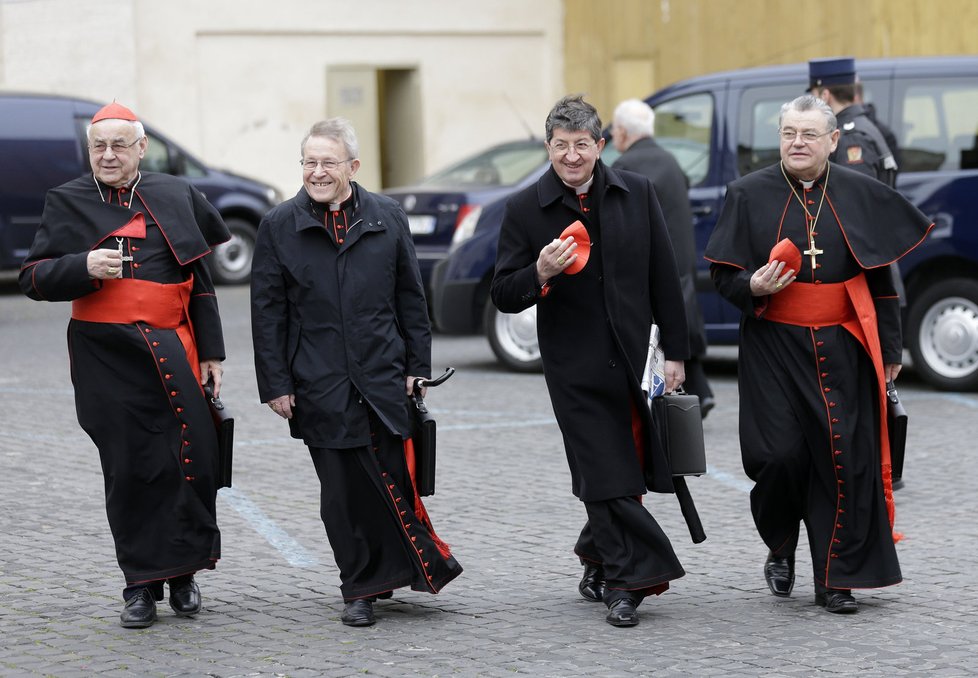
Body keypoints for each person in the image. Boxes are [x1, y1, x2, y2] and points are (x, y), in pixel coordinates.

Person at [704, 95, 932, 613]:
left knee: (843, 462)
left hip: (842, 343)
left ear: (833, 140)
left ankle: (834, 579)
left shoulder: (859, 192)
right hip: (773, 344)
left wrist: (891, 346)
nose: (797, 143)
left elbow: (882, 273)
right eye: (788, 133)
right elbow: (722, 275)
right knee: (779, 457)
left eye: (808, 134)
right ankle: (780, 543)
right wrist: (752, 286)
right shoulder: (747, 193)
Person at [19, 102, 230, 629]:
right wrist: (82, 267)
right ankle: (140, 585)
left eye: (119, 145)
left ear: (141, 148)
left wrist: (212, 352)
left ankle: (183, 576)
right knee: (130, 468)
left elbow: (199, 283)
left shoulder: (177, 194)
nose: (108, 155)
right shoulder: (66, 200)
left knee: (192, 460)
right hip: (105, 358)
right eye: (98, 146)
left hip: (174, 347)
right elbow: (33, 279)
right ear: (88, 150)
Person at [250, 118, 462, 628]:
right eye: (309, 162)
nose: (317, 172)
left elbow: (411, 299)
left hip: (384, 376)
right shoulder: (278, 224)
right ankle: (360, 586)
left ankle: (388, 574)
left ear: (353, 166)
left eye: (328, 162)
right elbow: (267, 313)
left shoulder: (387, 216)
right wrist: (276, 384)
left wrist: (417, 368)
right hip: (317, 381)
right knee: (342, 493)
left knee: (390, 478)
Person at [491, 95, 691, 628]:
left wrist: (677, 352)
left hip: (634, 361)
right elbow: (505, 294)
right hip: (573, 366)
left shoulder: (637, 193)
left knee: (623, 467)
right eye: (561, 146)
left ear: (600, 146)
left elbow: (664, 279)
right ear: (548, 147)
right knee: (606, 473)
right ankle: (629, 582)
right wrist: (539, 271)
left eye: (582, 145)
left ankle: (597, 554)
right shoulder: (524, 208)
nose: (572, 156)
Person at [611, 98, 715, 416]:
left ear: (624, 133)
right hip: (681, 260)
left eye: (614, 130)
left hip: (649, 266)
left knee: (658, 331)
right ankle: (700, 391)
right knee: (678, 323)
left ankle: (673, 396)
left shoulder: (624, 168)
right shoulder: (670, 160)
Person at [809, 57, 898, 187]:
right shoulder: (862, 125)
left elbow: (856, 197)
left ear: (825, 96)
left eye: (814, 95)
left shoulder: (851, 137)